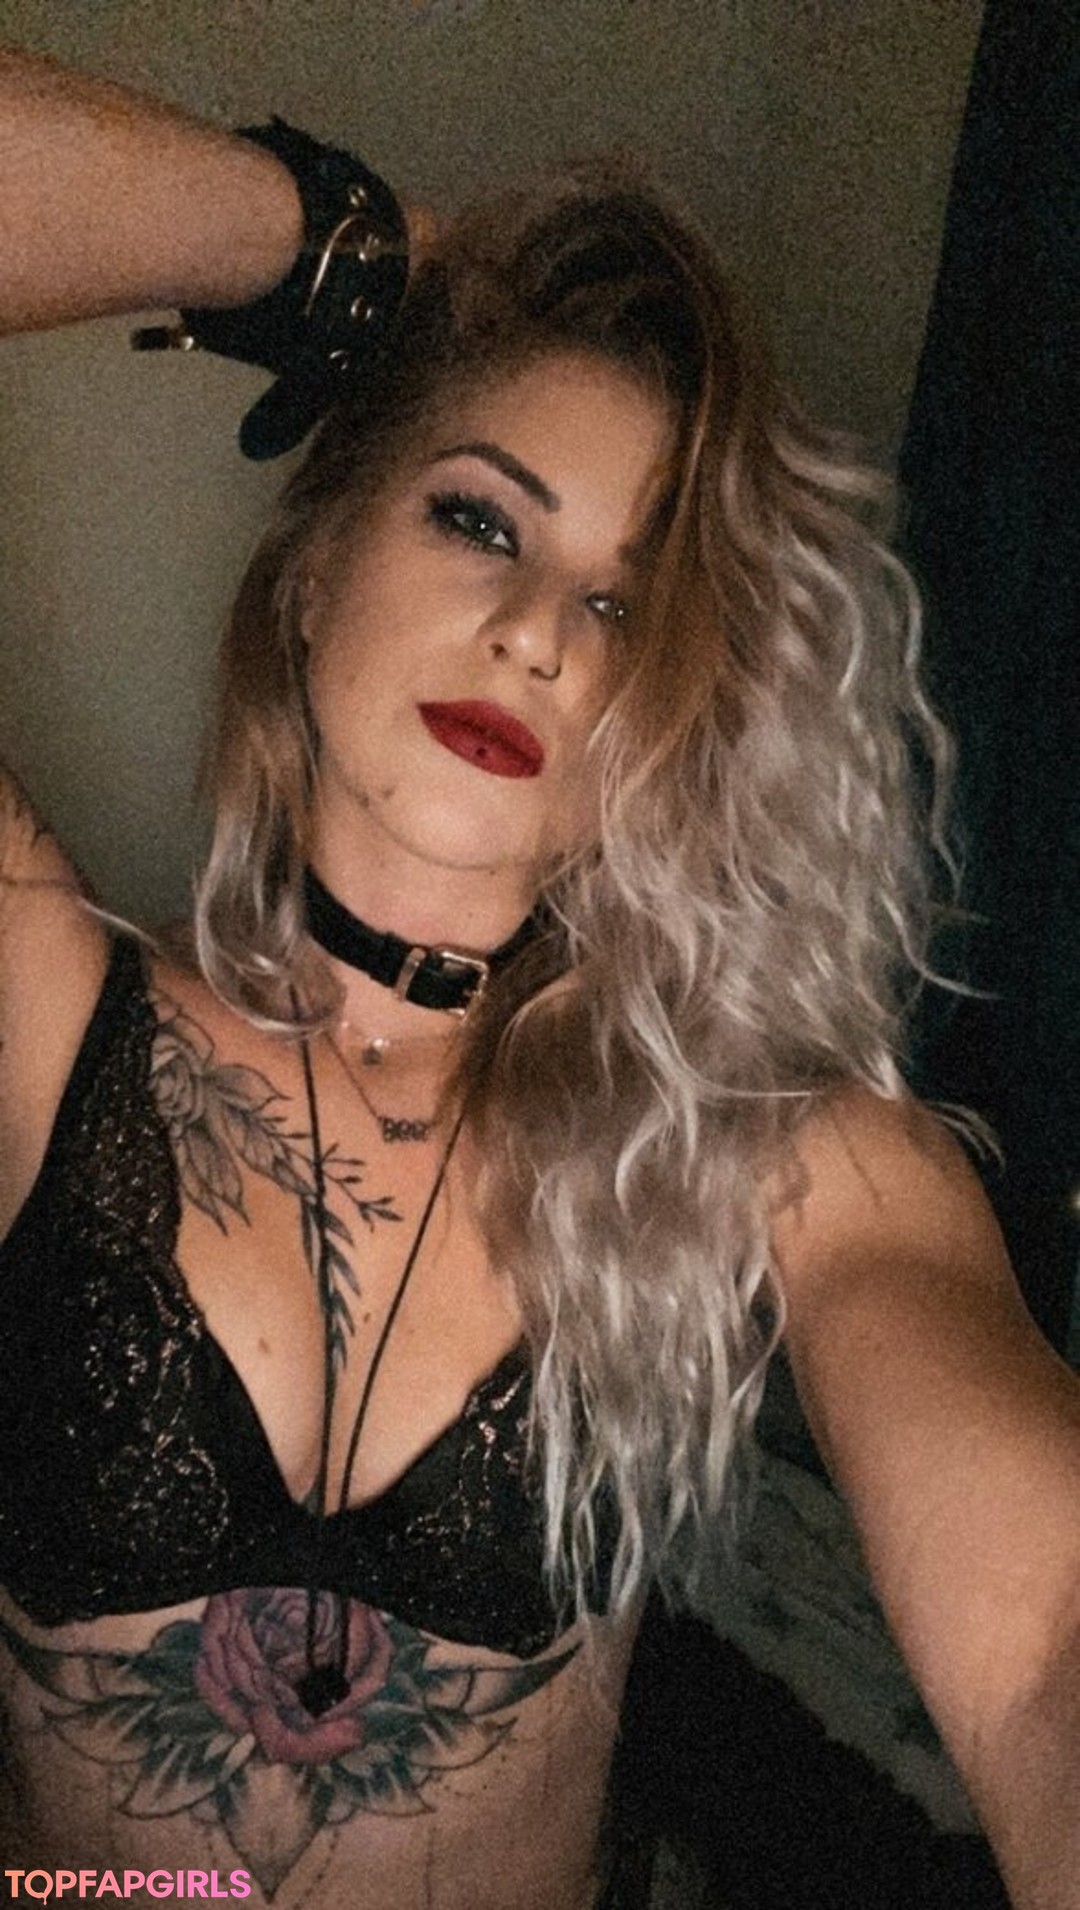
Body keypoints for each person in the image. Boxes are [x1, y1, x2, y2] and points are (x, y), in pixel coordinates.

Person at [0, 45, 1077, 1910]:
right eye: (481, 517)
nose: (539, 636)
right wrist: (357, 256)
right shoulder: (38, 1002)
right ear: (312, 573)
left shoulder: (763, 1148)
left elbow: (1049, 1638)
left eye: (629, 603)